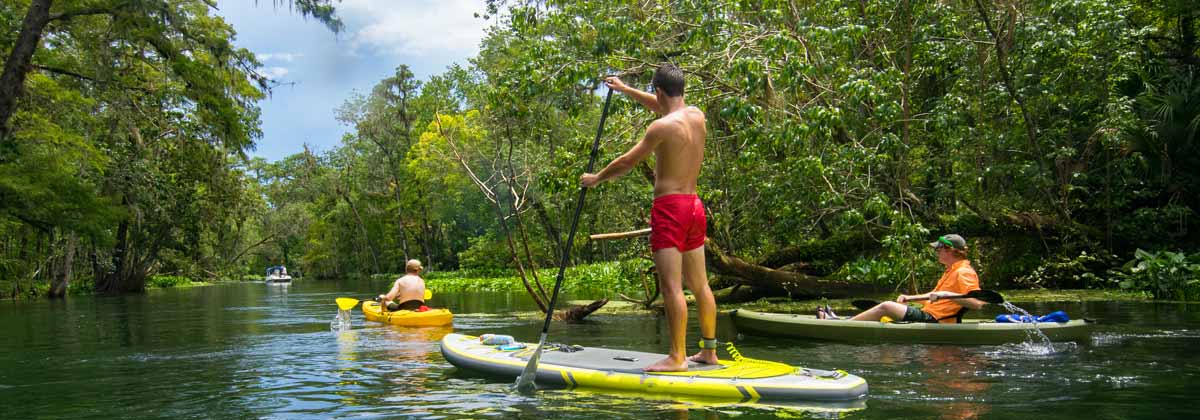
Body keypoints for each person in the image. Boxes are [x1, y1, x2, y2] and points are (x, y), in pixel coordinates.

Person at [581, 63, 716, 372]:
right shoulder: (697, 116)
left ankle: (677, 357)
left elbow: (628, 161)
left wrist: (597, 178)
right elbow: (663, 106)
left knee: (672, 287)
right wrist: (626, 89)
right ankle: (709, 352)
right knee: (701, 285)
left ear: (658, 90)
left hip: (670, 210)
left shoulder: (660, 128)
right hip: (695, 207)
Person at [850, 234, 986, 323]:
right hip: (930, 314)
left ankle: (847, 325)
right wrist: (910, 298)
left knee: (887, 306)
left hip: (937, 319)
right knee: (891, 308)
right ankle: (850, 322)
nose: (936, 252)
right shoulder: (951, 270)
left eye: (938, 250)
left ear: (949, 250)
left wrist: (947, 295)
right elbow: (934, 296)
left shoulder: (963, 272)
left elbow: (977, 303)